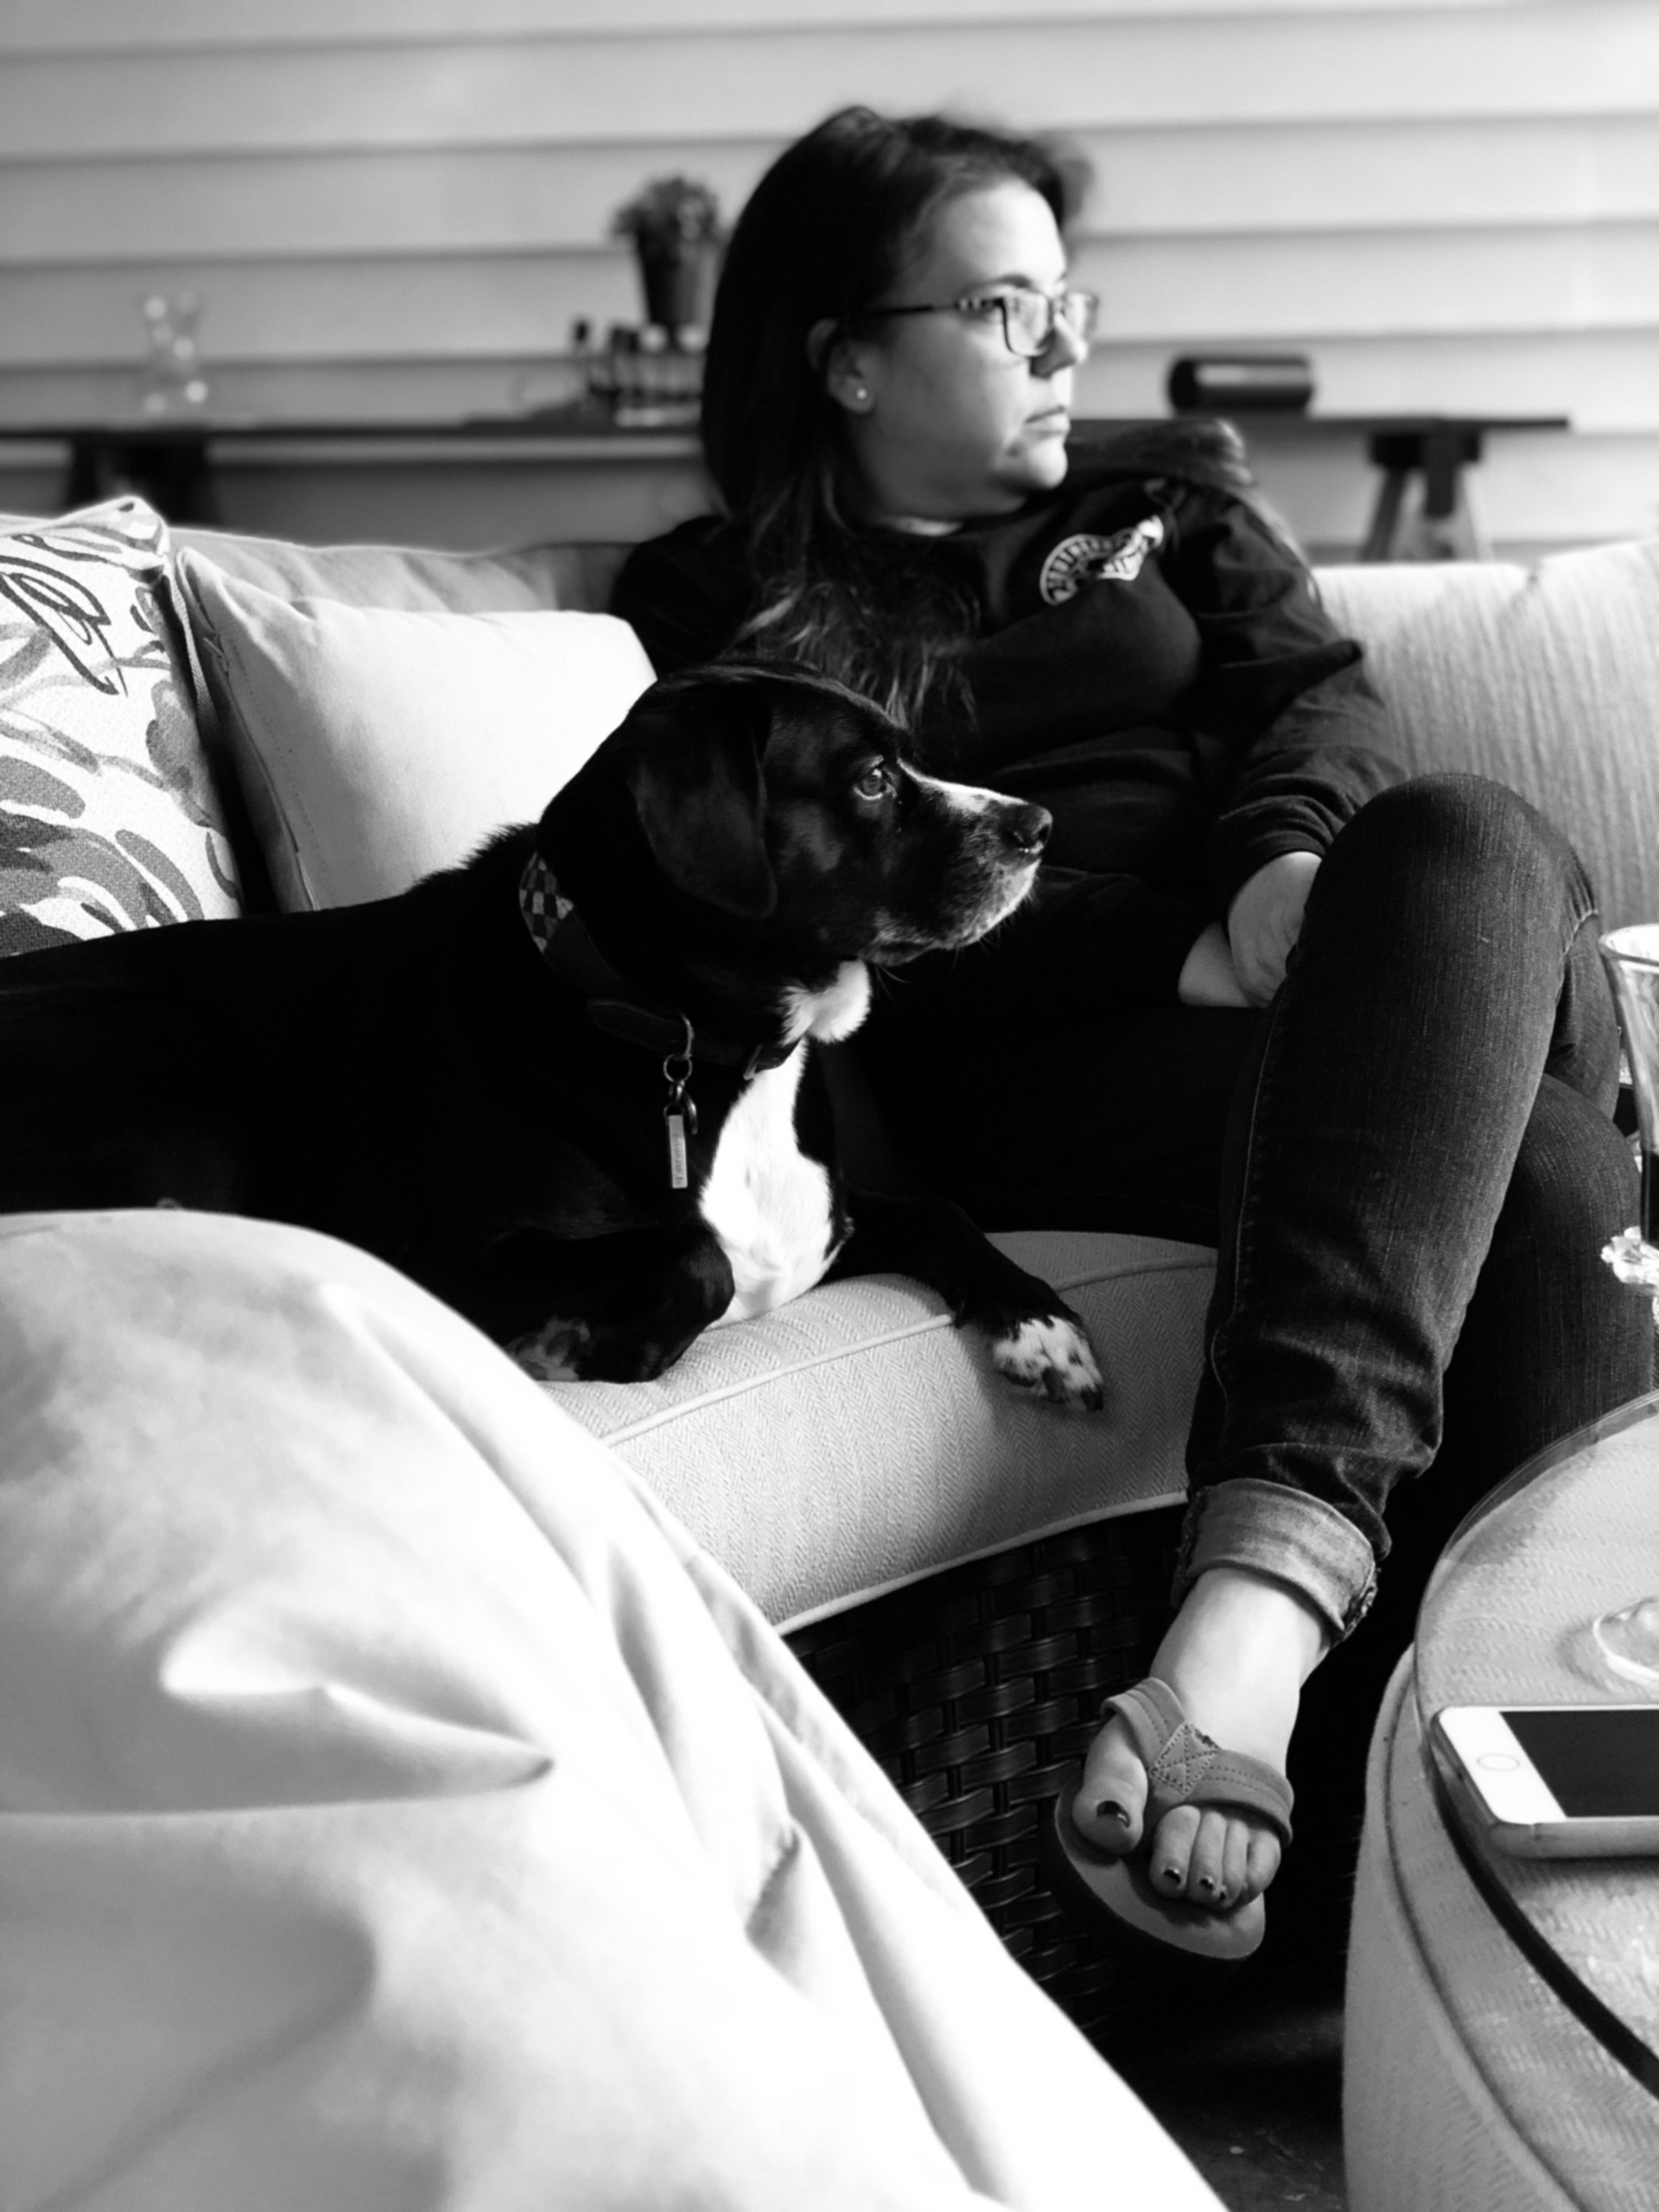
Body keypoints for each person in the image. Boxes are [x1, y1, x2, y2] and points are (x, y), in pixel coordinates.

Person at [611, 105, 1654, 1958]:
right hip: (1063, 1064)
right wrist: (1177, 952)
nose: (1070, 343)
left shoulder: (1166, 495)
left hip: (1357, 947)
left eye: (1068, 295)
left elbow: (1325, 709)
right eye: (1009, 308)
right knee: (1553, 1168)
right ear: (848, 357)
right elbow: (803, 913)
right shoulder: (718, 602)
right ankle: (1467, 1888)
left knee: (1467, 841)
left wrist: (1270, 877)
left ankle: (1253, 1618)